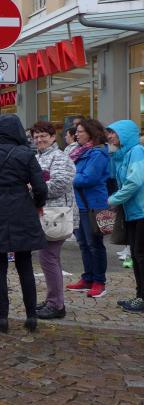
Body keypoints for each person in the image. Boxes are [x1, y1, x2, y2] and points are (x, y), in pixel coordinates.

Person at [0, 115, 47, 334]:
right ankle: (31, 316)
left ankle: (2, 318)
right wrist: (37, 204)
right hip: (21, 208)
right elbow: (40, 187)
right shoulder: (26, 153)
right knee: (25, 264)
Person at [31, 121, 77, 320]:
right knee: (49, 258)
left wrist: (33, 187)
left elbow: (59, 184)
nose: (39, 140)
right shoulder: (38, 156)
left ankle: (56, 304)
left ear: (52, 137)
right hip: (46, 214)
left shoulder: (59, 157)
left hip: (56, 214)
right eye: (36, 137)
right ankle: (53, 300)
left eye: (43, 136)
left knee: (48, 258)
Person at [67, 118, 110, 298]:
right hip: (80, 204)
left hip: (94, 205)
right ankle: (88, 278)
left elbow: (88, 178)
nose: (76, 134)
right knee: (84, 244)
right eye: (76, 131)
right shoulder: (80, 151)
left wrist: (68, 177)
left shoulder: (98, 153)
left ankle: (99, 281)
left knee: (95, 245)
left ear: (91, 133)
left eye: (80, 131)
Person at [106, 120, 144, 312]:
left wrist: (114, 199)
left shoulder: (136, 151)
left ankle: (142, 298)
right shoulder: (124, 154)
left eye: (113, 133)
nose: (109, 136)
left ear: (125, 134)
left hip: (141, 211)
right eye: (109, 133)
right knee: (137, 256)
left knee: (140, 255)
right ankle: (139, 295)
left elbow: (134, 181)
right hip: (133, 212)